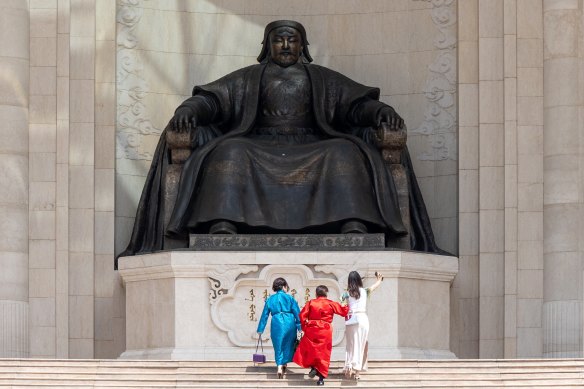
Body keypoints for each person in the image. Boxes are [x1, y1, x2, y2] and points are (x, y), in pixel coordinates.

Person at [117, 20, 446, 264]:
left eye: (292, 40)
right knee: (231, 152)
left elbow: (355, 105)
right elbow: (214, 101)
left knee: (343, 151)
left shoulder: (320, 78)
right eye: (279, 40)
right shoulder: (249, 77)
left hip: (312, 144)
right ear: (267, 46)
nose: (286, 45)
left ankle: (353, 225)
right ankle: (223, 224)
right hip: (257, 144)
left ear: (302, 46)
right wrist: (189, 109)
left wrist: (380, 111)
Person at [293, 285, 349, 386]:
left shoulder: (311, 302)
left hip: (312, 328)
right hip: (325, 330)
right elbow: (344, 312)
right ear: (326, 293)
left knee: (310, 350)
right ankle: (321, 379)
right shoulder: (331, 303)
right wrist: (345, 303)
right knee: (323, 354)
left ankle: (313, 367)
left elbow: (301, 316)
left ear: (316, 293)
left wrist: (305, 326)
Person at [341, 270, 384, 380]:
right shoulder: (365, 291)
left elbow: (342, 306)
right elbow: (376, 285)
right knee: (361, 345)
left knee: (350, 346)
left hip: (351, 320)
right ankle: (357, 373)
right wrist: (379, 279)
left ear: (349, 281)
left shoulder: (346, 294)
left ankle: (349, 366)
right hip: (362, 319)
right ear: (359, 279)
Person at [257, 277, 301, 379]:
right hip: (290, 322)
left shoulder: (270, 299)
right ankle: (284, 363)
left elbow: (265, 315)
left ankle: (280, 366)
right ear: (284, 286)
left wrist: (260, 329)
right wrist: (300, 327)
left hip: (277, 322)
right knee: (289, 344)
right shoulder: (290, 298)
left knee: (278, 345)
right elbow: (297, 313)